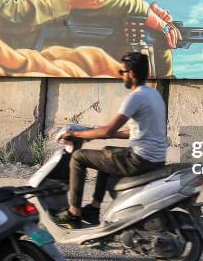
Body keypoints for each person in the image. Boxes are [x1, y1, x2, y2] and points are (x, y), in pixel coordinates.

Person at [57, 52, 168, 228]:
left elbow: (108, 131)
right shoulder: (153, 95)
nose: (120, 75)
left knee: (78, 157)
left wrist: (76, 135)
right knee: (108, 152)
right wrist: (92, 132)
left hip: (139, 159)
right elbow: (131, 132)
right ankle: (94, 208)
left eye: (121, 71)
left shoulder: (135, 97)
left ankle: (74, 212)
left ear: (131, 73)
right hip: (155, 159)